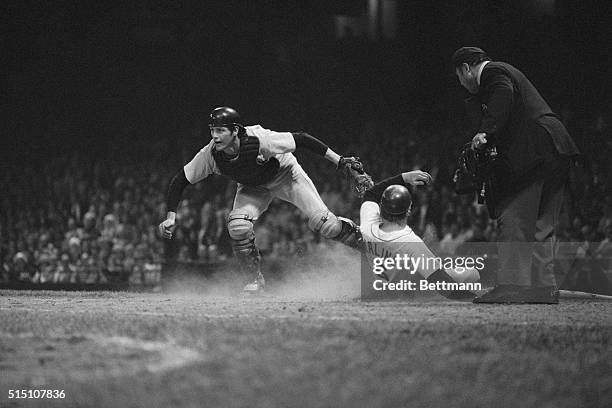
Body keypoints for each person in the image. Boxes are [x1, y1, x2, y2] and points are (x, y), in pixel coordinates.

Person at [159, 107, 365, 292]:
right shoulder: (210, 155)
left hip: (286, 175)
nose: (215, 136)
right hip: (253, 187)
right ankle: (254, 279)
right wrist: (170, 216)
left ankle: (361, 241)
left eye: (221, 130)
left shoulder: (260, 138)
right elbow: (180, 180)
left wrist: (339, 161)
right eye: (212, 130)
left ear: (236, 130)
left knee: (326, 225)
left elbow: (301, 138)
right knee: (238, 225)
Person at [452, 47, 580, 303]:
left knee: (513, 216)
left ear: (466, 68)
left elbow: (504, 93)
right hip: (556, 149)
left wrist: (485, 132)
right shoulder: (505, 72)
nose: (460, 82)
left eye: (458, 75)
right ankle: (544, 287)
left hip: (536, 151)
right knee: (542, 225)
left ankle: (511, 285)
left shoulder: (493, 71)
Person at [360, 172, 478, 300]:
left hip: (378, 285)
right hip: (407, 290)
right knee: (472, 274)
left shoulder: (368, 225)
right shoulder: (410, 242)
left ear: (381, 207)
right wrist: (477, 298)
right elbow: (444, 286)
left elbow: (370, 194)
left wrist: (404, 177)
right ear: (409, 210)